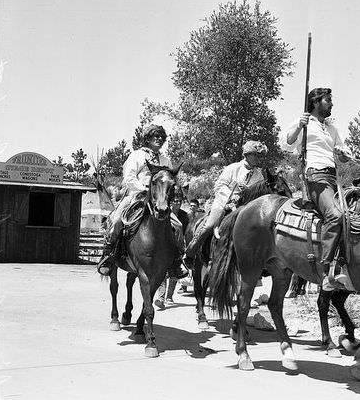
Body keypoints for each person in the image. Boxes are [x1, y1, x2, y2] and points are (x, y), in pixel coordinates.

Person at [281, 87, 352, 290]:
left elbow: (343, 152)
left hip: (333, 177)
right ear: (315, 102)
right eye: (328, 100)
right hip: (315, 176)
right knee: (336, 215)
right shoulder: (304, 122)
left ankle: (345, 263)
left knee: (353, 214)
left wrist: (343, 153)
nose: (332, 104)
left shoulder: (331, 128)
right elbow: (286, 144)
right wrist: (298, 127)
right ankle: (327, 270)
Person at [97, 124, 188, 279]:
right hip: (136, 197)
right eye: (155, 136)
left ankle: (177, 261)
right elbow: (129, 179)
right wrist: (145, 188)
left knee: (178, 225)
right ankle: (108, 256)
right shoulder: (137, 156)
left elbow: (171, 180)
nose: (159, 139)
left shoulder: (166, 160)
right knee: (117, 220)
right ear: (147, 139)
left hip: (159, 201)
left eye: (161, 136)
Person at [184, 140, 268, 268]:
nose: (258, 158)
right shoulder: (232, 168)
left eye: (259, 156)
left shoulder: (259, 175)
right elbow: (219, 185)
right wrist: (231, 197)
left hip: (244, 209)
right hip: (223, 204)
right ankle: (190, 253)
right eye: (255, 155)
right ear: (247, 154)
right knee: (209, 226)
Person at [156, 193, 190, 308]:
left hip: (177, 247)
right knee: (163, 273)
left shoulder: (184, 215)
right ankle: (160, 298)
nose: (178, 203)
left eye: (179, 201)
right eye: (175, 201)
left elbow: (186, 231)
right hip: (165, 246)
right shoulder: (165, 213)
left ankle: (169, 296)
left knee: (175, 273)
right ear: (171, 202)